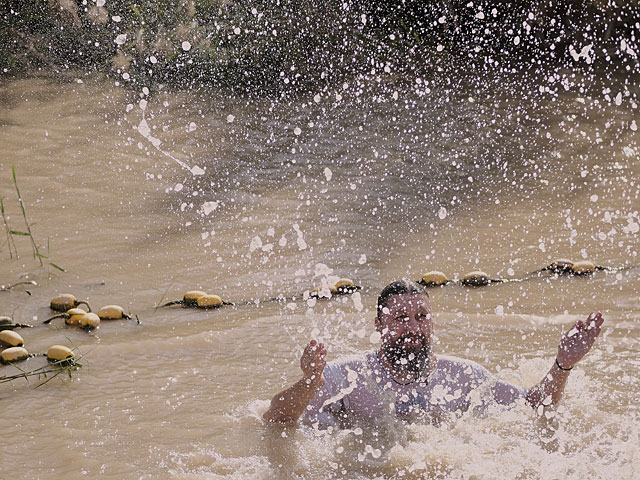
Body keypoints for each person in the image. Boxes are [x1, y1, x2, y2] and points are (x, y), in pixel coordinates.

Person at [263, 280, 604, 427]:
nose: (412, 328)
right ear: (379, 325)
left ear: (432, 323)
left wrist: (562, 365)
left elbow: (534, 406)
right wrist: (310, 381)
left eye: (421, 317)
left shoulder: (463, 376)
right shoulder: (349, 376)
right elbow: (275, 418)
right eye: (400, 318)